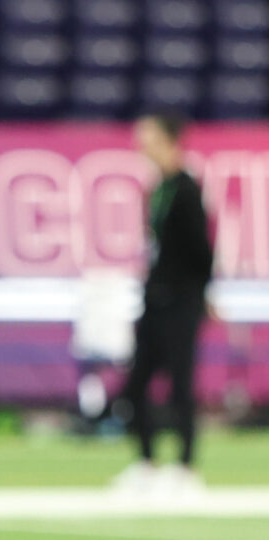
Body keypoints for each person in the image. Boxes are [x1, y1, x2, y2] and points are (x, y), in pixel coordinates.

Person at [113, 113, 213, 492]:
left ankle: (186, 467)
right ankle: (147, 462)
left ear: (169, 140)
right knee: (136, 384)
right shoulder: (159, 188)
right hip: (154, 299)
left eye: (148, 136)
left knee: (180, 383)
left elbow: (202, 251)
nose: (140, 143)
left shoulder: (185, 188)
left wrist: (201, 295)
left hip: (181, 301)